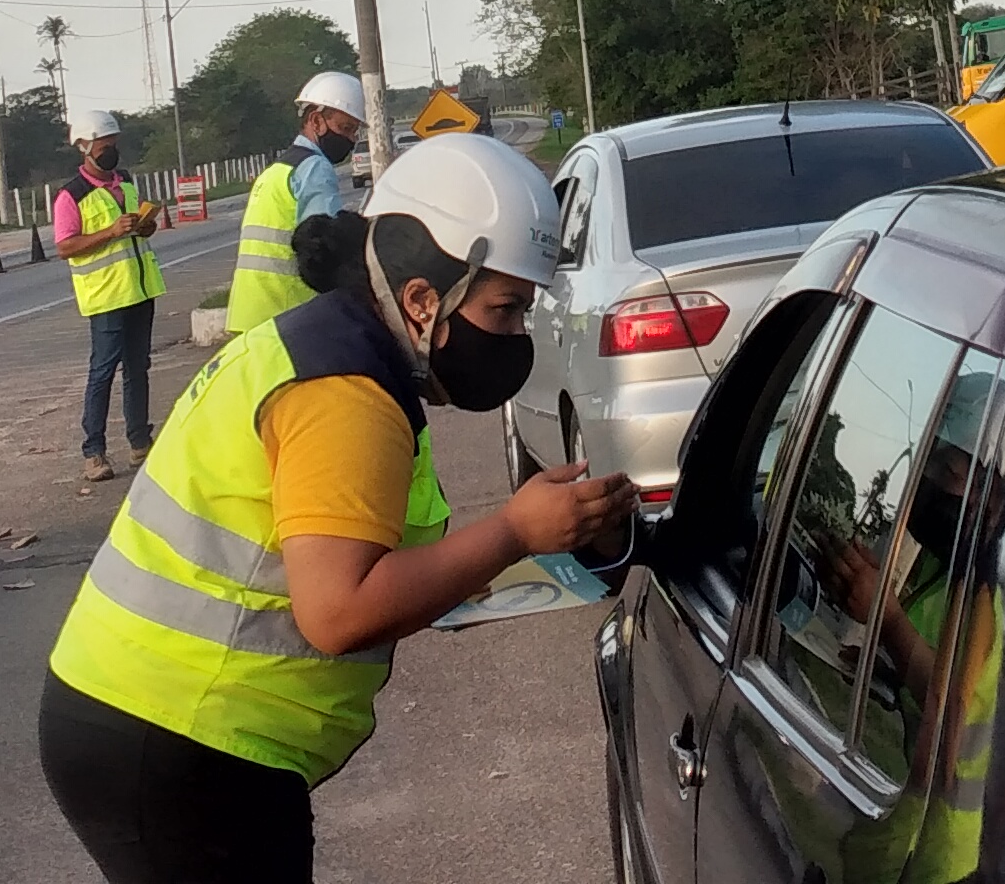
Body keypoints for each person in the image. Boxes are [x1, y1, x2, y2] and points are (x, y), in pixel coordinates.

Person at [40, 131, 632, 884]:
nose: (517, 336)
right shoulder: (343, 392)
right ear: (422, 299)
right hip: (183, 741)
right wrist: (514, 530)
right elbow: (339, 612)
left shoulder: (327, 350)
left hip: (151, 722)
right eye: (507, 309)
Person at [54, 111, 167, 483]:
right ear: (84, 147)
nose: (111, 153)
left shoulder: (126, 183)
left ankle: (140, 441)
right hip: (105, 297)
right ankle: (94, 452)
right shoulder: (71, 196)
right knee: (102, 372)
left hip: (139, 290)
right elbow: (66, 246)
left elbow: (136, 233)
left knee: (139, 369)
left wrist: (144, 226)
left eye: (114, 145)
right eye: (105, 147)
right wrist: (110, 231)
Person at [226, 69, 367, 334]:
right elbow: (326, 249)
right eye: (345, 128)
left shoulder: (278, 170)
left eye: (354, 131)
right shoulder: (315, 169)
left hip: (250, 315)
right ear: (316, 121)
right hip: (289, 316)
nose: (350, 139)